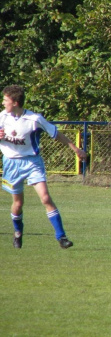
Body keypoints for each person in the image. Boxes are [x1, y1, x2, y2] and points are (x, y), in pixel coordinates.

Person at [0, 85, 87, 249]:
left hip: (32, 162)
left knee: (46, 198)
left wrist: (75, 149)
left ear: (16, 102)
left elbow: (56, 134)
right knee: (18, 204)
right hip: (11, 163)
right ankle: (18, 232)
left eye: (6, 100)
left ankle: (62, 237)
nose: (3, 103)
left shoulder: (34, 119)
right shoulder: (2, 117)